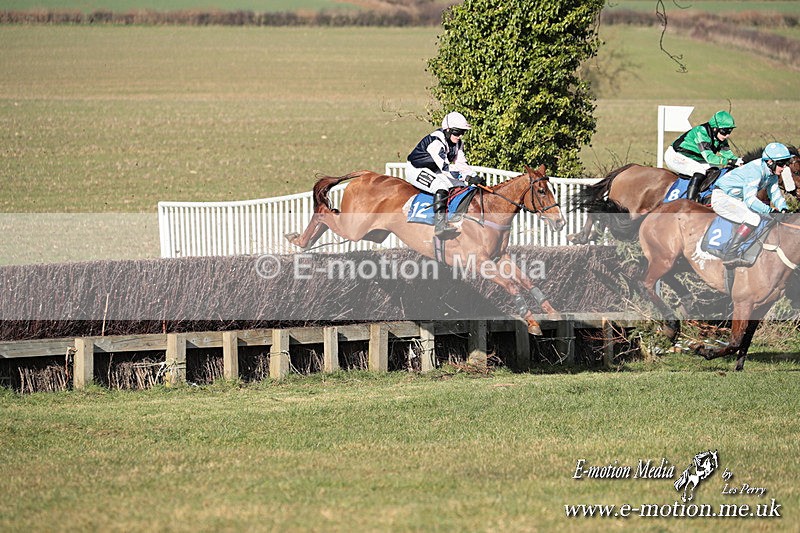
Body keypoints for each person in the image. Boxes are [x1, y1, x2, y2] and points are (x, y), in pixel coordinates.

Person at [710, 141, 791, 266]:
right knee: (753, 218)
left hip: (735, 199)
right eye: (781, 164)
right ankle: (729, 255)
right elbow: (750, 200)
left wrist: (784, 209)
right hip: (722, 197)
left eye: (786, 163)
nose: (784, 167)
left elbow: (775, 194)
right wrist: (771, 211)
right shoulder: (755, 171)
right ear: (770, 162)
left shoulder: (772, 174)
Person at [406, 111, 483, 238]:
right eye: (457, 132)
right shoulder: (436, 142)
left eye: (462, 132)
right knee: (440, 187)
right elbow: (446, 168)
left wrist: (474, 176)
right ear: (447, 130)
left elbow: (461, 164)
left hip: (434, 169)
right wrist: (467, 178)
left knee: (462, 186)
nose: (459, 136)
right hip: (416, 169)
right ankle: (440, 225)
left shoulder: (458, 144)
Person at [664, 110, 740, 202]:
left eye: (730, 131)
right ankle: (690, 202)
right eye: (724, 131)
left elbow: (730, 156)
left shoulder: (721, 138)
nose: (727, 135)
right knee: (699, 171)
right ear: (715, 128)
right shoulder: (701, 132)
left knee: (716, 170)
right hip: (675, 156)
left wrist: (741, 162)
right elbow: (710, 158)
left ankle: (705, 195)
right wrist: (730, 162)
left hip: (693, 158)